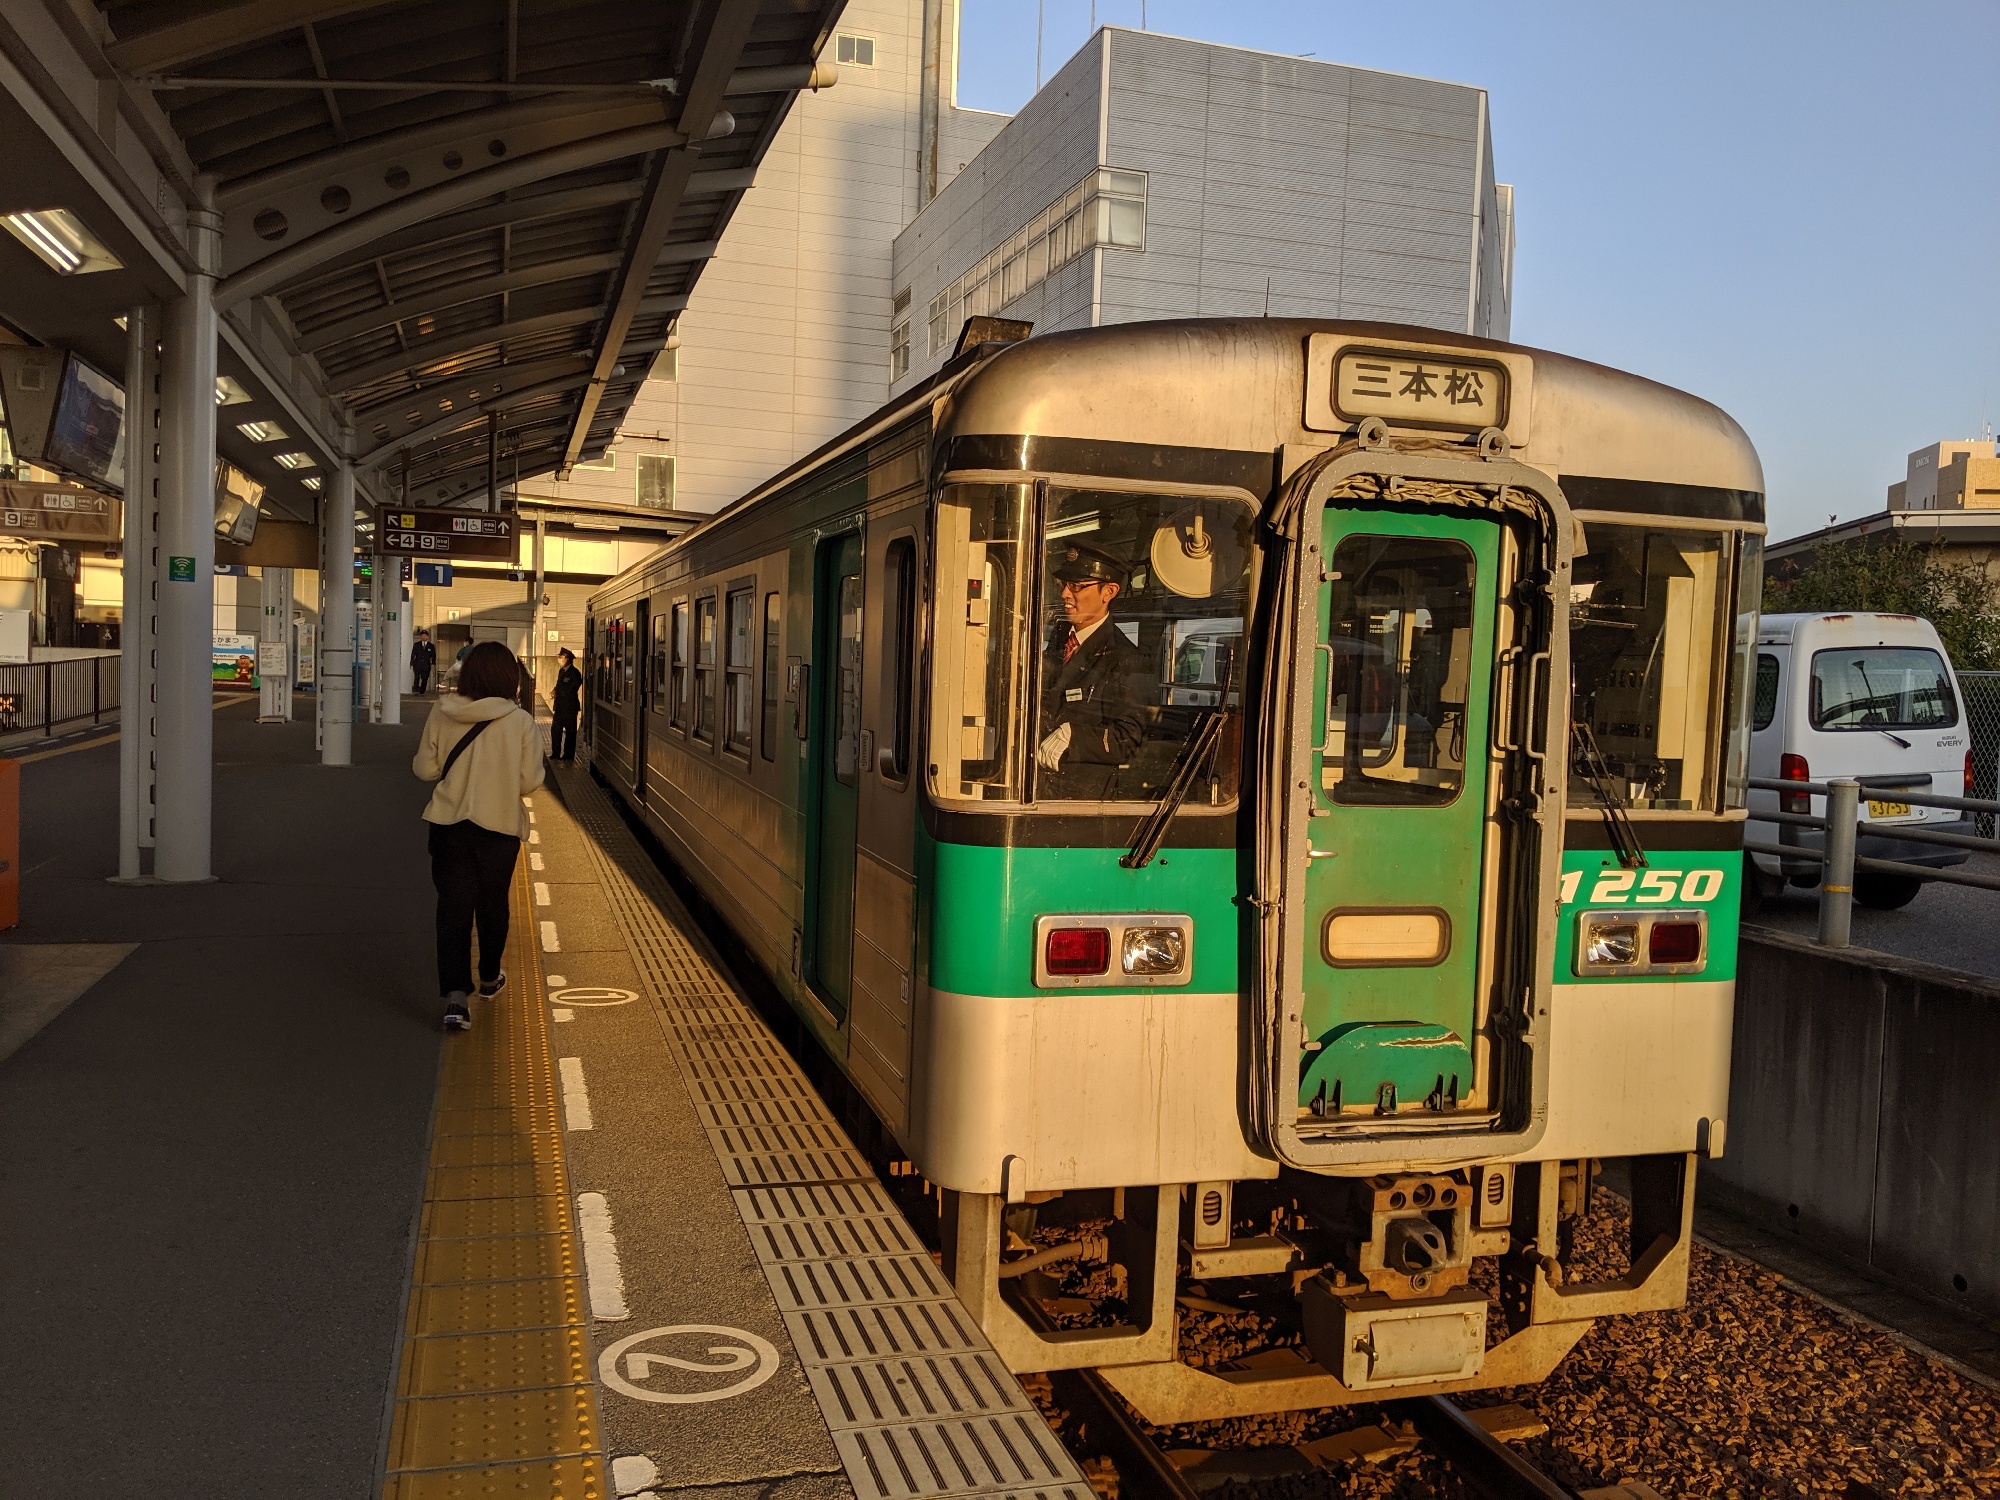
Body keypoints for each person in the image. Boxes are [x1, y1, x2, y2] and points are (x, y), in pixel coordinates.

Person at [413, 641, 544, 1032]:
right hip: (498, 829)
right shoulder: (519, 722)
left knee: (452, 910)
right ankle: (489, 977)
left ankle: (455, 999)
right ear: (510, 678)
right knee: (492, 906)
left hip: (450, 827)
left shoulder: (443, 711)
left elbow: (424, 769)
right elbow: (530, 781)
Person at [1036, 541, 1148, 799]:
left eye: (1076, 586)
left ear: (1108, 591)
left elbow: (1128, 739)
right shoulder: (1060, 638)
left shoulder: (1124, 657)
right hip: (1037, 788)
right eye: (1062, 584)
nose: (1065, 594)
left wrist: (1075, 737)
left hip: (1081, 800)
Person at [550, 647, 583, 761]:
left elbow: (572, 689)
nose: (559, 659)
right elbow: (559, 685)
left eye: (561, 657)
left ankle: (568, 755)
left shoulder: (575, 673)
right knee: (555, 730)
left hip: (570, 707)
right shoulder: (561, 671)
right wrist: (555, 690)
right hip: (559, 707)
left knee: (570, 732)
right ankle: (555, 753)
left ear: (568, 659)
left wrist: (558, 692)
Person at [410, 629, 436, 695]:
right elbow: (413, 654)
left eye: (425, 636)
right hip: (418, 664)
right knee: (417, 677)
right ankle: (416, 690)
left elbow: (433, 655)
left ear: (427, 637)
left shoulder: (431, 646)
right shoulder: (416, 645)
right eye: (422, 636)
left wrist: (433, 663)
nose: (423, 637)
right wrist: (412, 663)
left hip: (426, 665)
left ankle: (422, 691)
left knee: (425, 678)